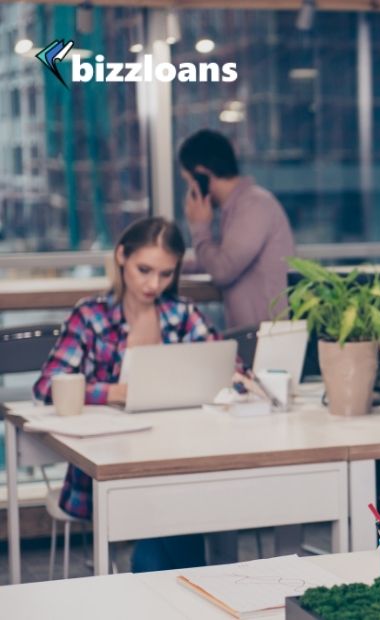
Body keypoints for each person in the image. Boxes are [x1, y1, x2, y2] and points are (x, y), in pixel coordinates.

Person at [34, 216, 219, 571]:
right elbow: (47, 385)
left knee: (174, 498)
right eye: (144, 270)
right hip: (108, 464)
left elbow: (224, 367)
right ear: (121, 257)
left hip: (179, 457)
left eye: (166, 274)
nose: (154, 284)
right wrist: (116, 392)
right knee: (174, 511)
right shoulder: (91, 315)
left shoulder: (181, 314)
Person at [179, 129, 296, 330]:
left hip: (269, 338)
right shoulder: (235, 209)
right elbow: (217, 259)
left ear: (202, 175)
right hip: (256, 336)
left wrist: (199, 227)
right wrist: (172, 265)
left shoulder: (254, 205)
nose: (189, 191)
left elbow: (223, 269)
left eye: (189, 182)